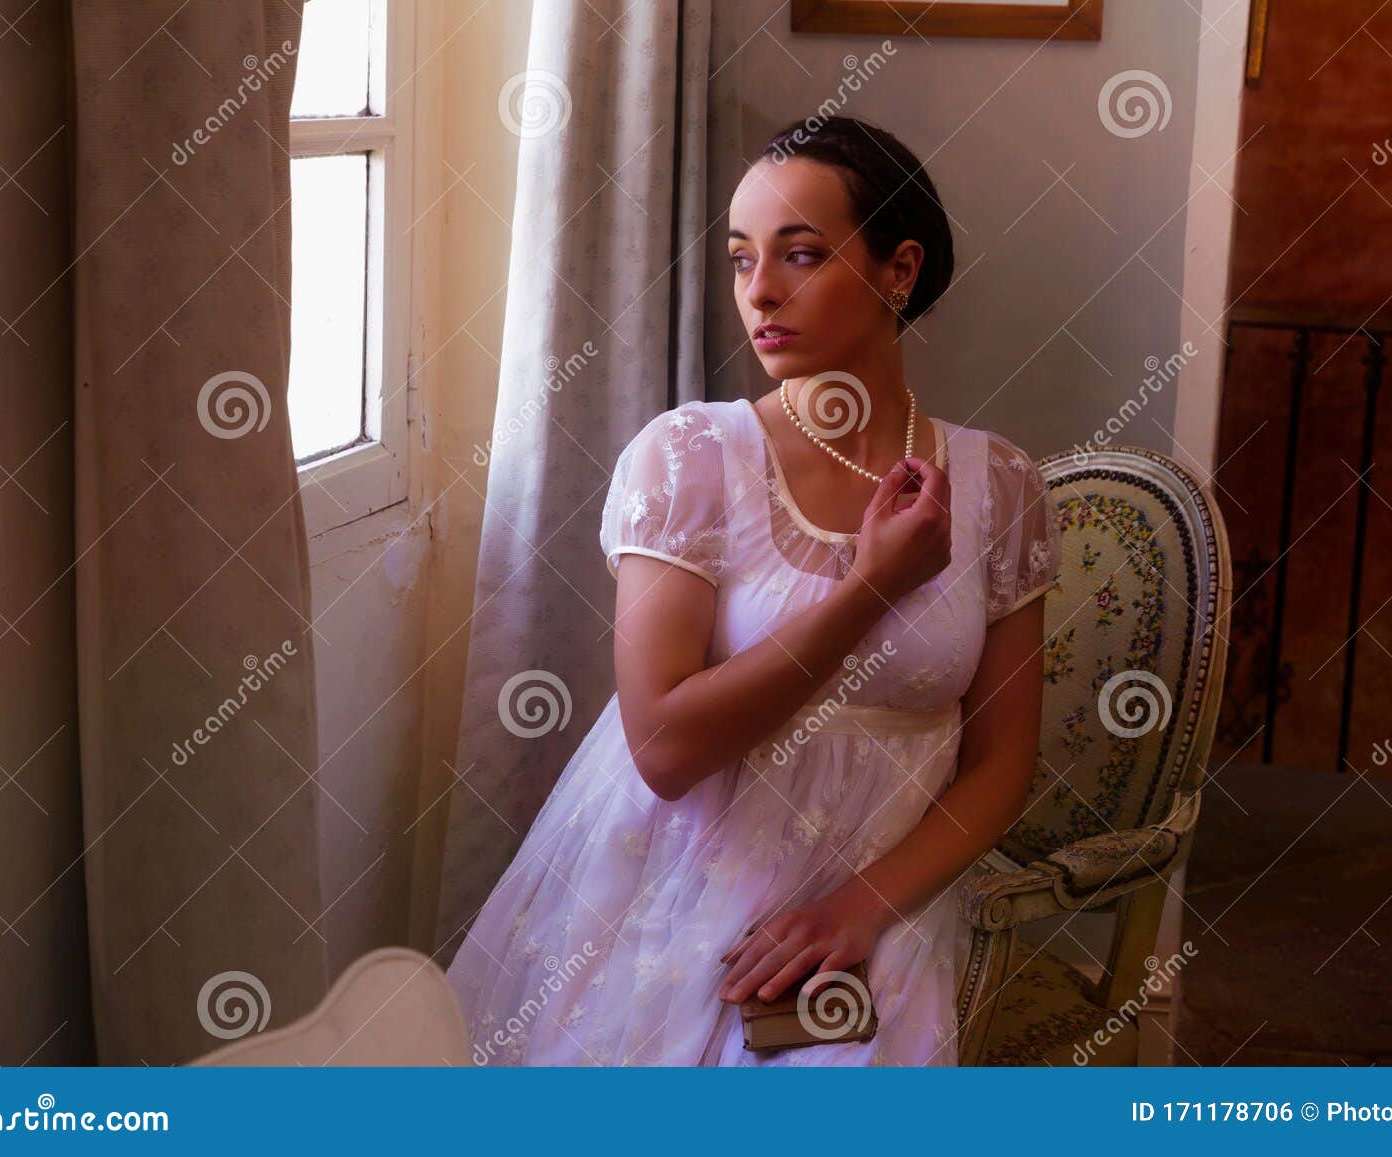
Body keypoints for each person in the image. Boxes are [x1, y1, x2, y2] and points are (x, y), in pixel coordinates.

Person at [445, 115, 1061, 1066]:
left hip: (876, 910)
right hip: (675, 898)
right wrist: (868, 589)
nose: (760, 292)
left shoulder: (998, 487)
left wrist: (862, 909)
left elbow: (1001, 767)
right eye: (740, 259)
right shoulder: (691, 458)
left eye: (801, 254)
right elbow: (662, 748)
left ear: (899, 269)